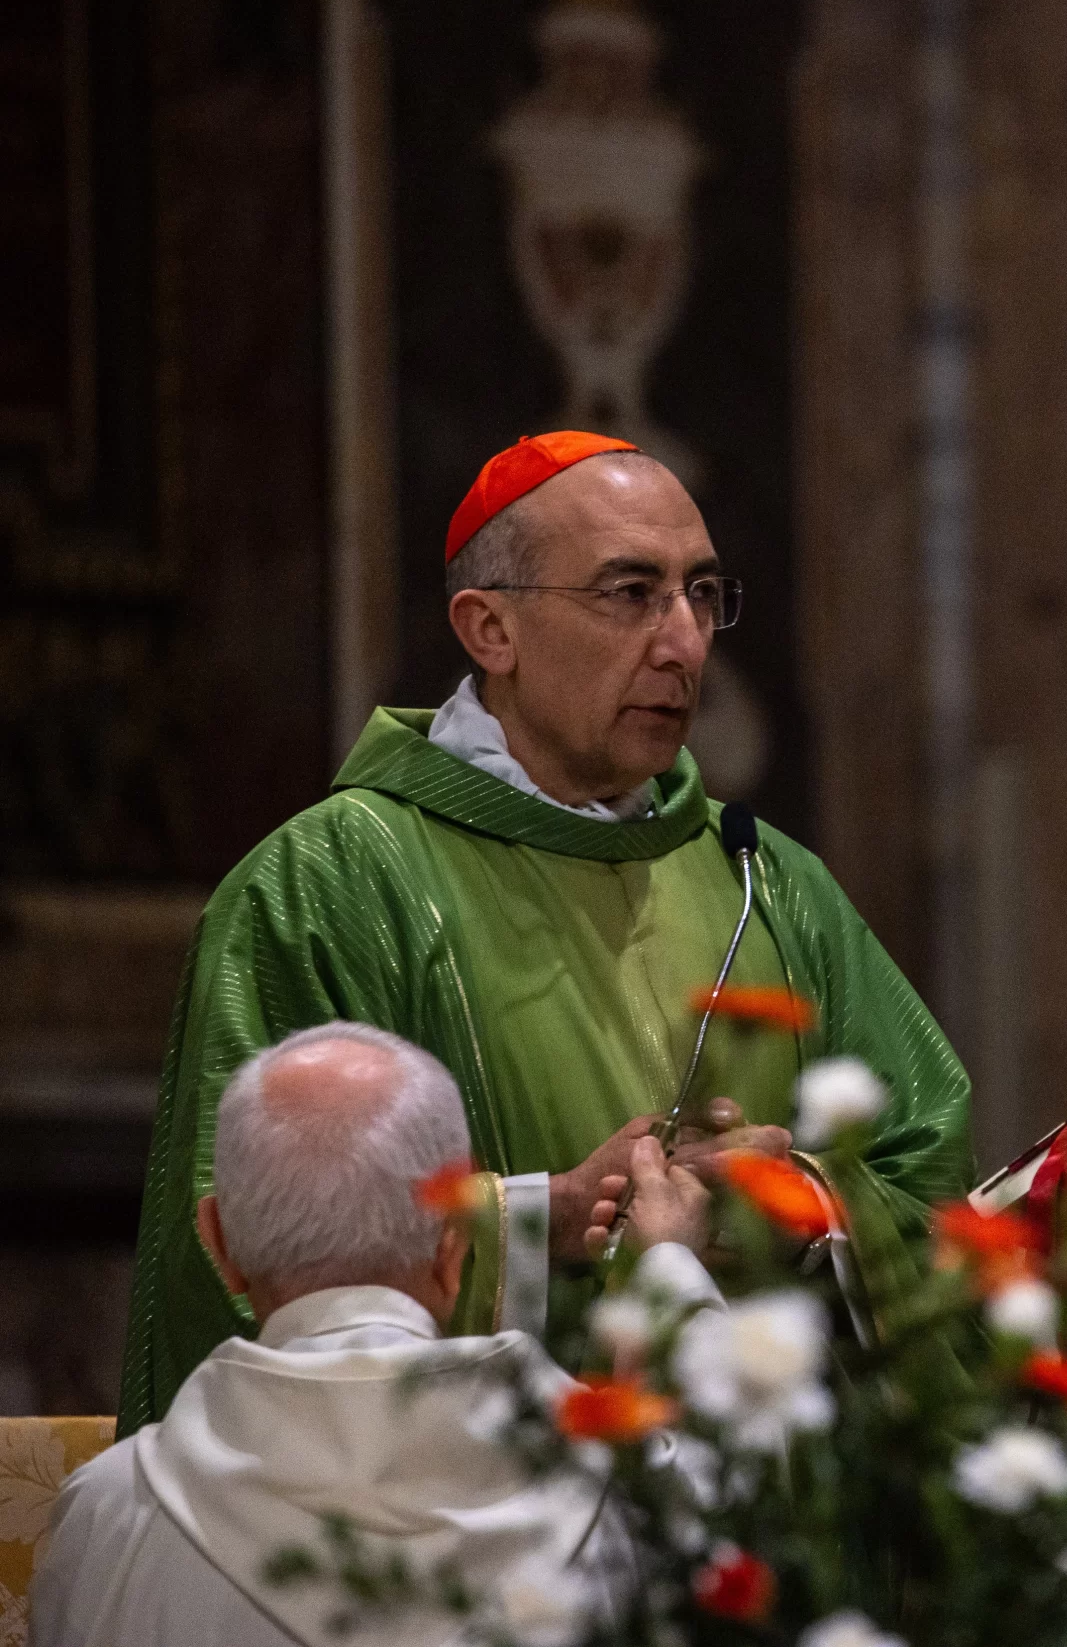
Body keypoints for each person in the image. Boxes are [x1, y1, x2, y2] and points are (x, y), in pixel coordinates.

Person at [120, 432, 971, 1430]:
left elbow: (939, 1179)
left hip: (760, 1534)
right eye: (630, 593)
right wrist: (542, 1222)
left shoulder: (769, 882)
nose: (685, 642)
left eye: (702, 594)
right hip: (470, 1525)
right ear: (490, 631)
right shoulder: (331, 887)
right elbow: (239, 1235)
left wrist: (801, 1210)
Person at [37, 1022, 718, 1647]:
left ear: (220, 1245)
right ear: (455, 1246)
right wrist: (669, 1270)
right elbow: (730, 1516)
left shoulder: (110, 1513)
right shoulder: (605, 1482)